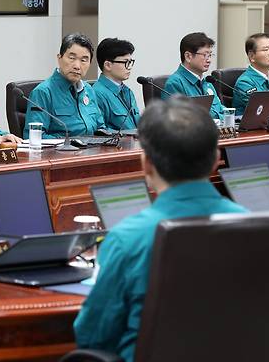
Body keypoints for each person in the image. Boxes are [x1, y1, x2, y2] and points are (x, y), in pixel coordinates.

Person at [73, 97, 247, 361]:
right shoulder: (253, 226)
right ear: (216, 161)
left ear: (146, 164)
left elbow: (93, 335)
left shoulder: (127, 238)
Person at [23, 33, 105, 139]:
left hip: (92, 152)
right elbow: (34, 137)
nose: (77, 66)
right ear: (59, 58)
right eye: (71, 58)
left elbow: (101, 128)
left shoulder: (88, 90)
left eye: (83, 60)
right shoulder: (43, 92)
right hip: (62, 153)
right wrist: (67, 144)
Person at [162, 32, 225, 119]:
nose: (209, 60)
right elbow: (177, 121)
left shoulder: (207, 83)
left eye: (210, 55)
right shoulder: (175, 83)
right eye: (205, 55)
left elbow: (222, 110)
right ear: (188, 56)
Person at [232, 33, 269, 116]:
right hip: (251, 128)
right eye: (265, 50)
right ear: (252, 56)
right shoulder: (244, 82)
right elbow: (264, 108)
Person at [93, 38, 140, 131]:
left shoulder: (128, 91)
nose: (129, 67)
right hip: (118, 145)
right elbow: (101, 131)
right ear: (108, 65)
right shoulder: (97, 94)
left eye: (130, 62)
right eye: (125, 62)